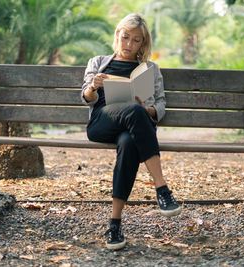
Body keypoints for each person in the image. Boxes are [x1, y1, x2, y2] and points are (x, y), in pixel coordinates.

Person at [81, 13, 181, 250]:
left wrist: (148, 109)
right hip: (102, 123)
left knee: (128, 141)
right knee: (134, 111)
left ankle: (114, 224)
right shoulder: (98, 62)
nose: (129, 44)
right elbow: (86, 98)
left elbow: (160, 105)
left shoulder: (150, 69)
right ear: (118, 35)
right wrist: (93, 86)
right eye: (125, 37)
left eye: (136, 40)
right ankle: (162, 188)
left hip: (133, 128)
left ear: (143, 44)